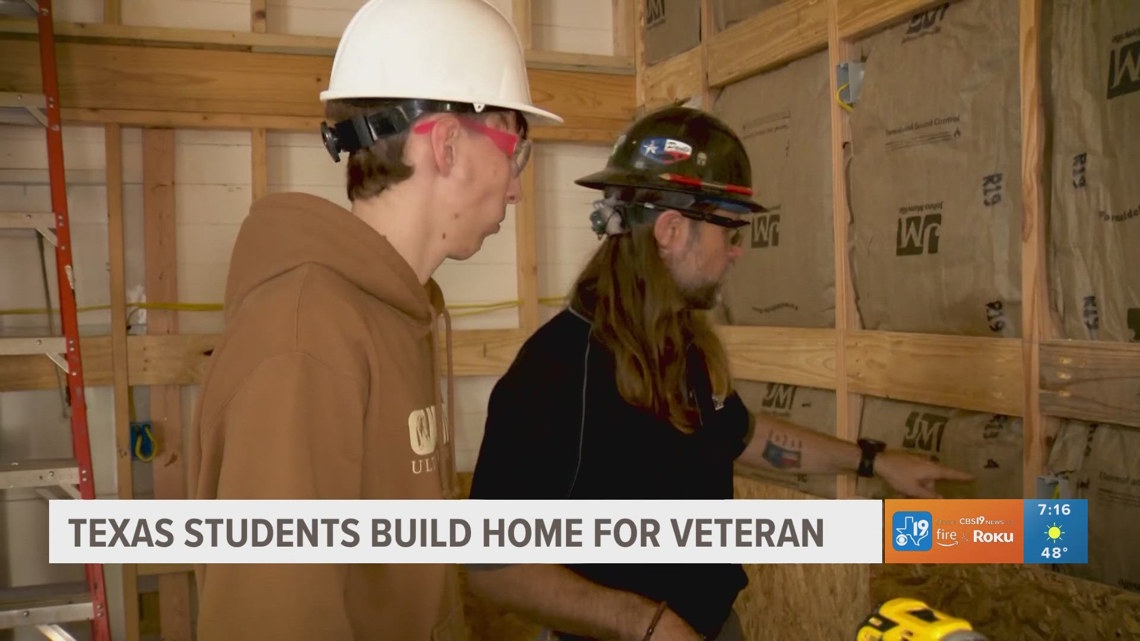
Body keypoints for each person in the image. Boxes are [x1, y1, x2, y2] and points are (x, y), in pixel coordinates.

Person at [465, 106, 973, 641]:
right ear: (671, 229)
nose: (737, 251)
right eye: (728, 229)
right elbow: (493, 568)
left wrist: (874, 460)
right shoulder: (555, 371)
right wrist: (647, 625)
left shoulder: (680, 345)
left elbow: (743, 436)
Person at [186, 0, 562, 639]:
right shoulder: (303, 341)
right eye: (514, 150)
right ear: (446, 144)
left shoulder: (393, 312)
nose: (516, 189)